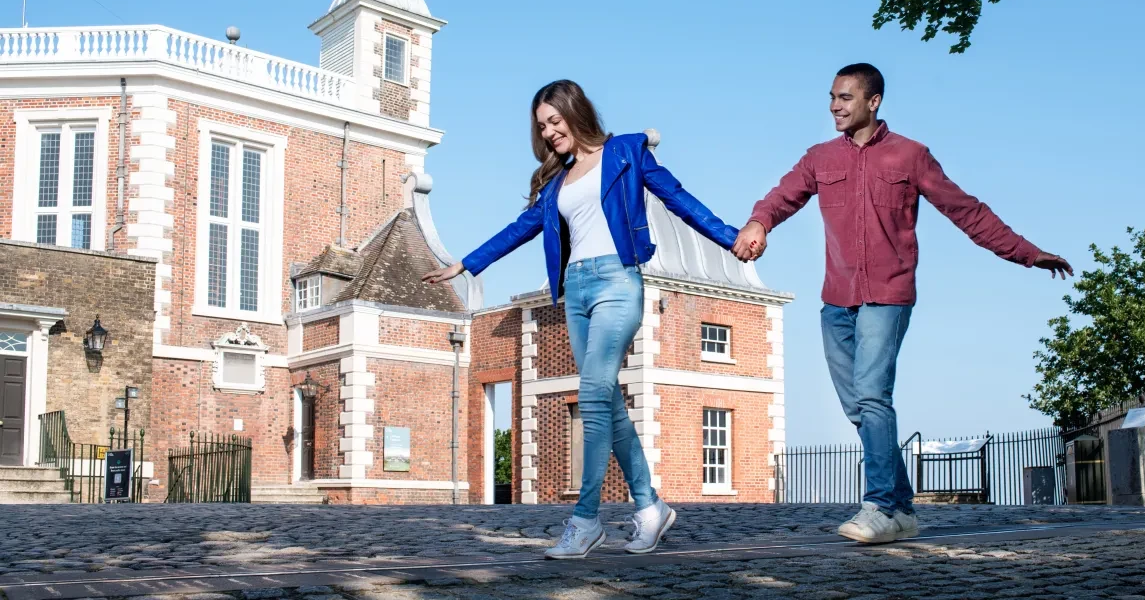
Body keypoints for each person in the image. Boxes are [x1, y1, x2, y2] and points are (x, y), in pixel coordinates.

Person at [731, 63, 1073, 545]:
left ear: (873, 102)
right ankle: (904, 508)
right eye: (831, 97)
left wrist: (1025, 252)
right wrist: (758, 222)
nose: (835, 105)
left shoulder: (910, 156)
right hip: (837, 299)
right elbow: (781, 197)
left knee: (872, 396)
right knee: (859, 407)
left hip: (887, 296)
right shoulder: (819, 157)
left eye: (845, 97)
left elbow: (965, 210)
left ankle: (881, 506)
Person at [424, 79, 741, 559]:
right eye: (542, 127)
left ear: (576, 111)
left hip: (618, 282)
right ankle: (651, 507)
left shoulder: (627, 152)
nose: (550, 133)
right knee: (607, 403)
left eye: (555, 121)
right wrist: (467, 263)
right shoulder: (556, 183)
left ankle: (586, 519)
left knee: (592, 395)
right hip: (576, 291)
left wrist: (733, 239)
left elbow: (680, 199)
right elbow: (520, 228)